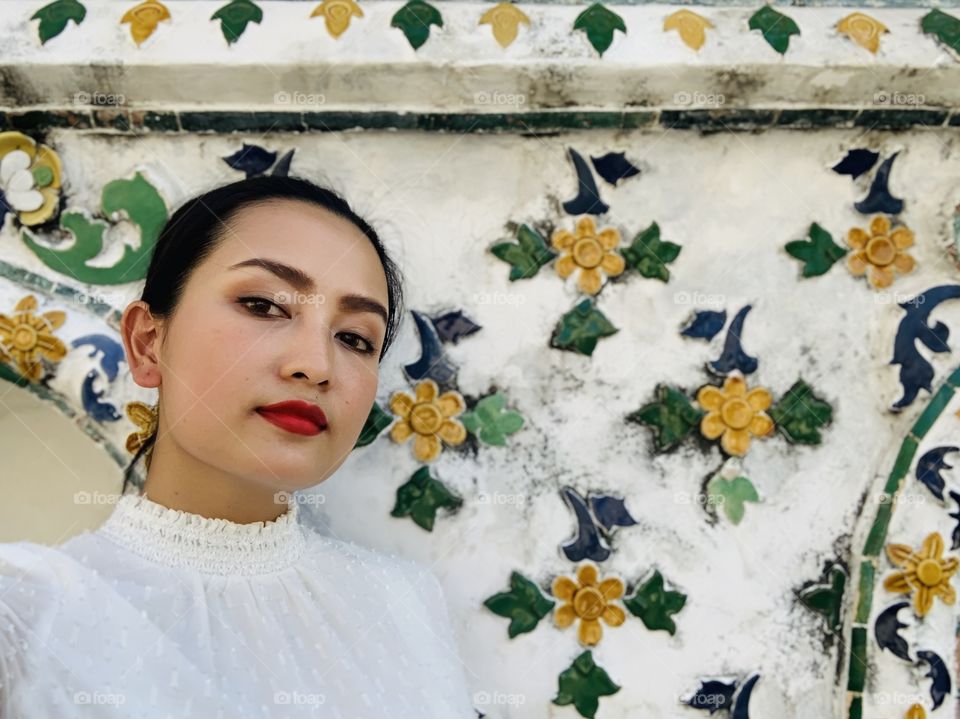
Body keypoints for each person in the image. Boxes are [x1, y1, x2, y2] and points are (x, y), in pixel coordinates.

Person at [0, 176, 477, 717]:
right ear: (148, 343)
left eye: (354, 338)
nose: (315, 365)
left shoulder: (405, 605)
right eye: (263, 305)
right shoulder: (27, 613)